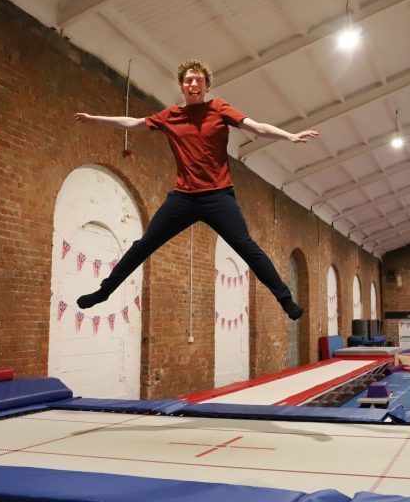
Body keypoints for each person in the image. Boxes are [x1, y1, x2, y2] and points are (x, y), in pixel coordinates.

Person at [73, 60, 318, 320]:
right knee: (144, 244)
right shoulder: (171, 116)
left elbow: (255, 126)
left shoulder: (219, 108)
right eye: (188, 80)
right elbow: (133, 123)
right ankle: (103, 292)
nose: (193, 84)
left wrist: (288, 136)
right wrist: (94, 119)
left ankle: (285, 299)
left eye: (198, 80)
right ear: (182, 86)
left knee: (246, 246)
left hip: (218, 196)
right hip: (183, 198)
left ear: (206, 86)